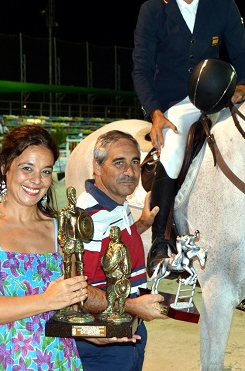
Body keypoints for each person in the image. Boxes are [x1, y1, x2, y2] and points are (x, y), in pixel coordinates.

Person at [131, 0, 245, 274]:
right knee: (171, 149)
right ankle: (160, 242)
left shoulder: (224, 3)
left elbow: (243, 58)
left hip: (216, 97)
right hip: (174, 104)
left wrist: (243, 86)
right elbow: (141, 69)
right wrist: (155, 113)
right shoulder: (153, 10)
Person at [0, 124, 87, 370]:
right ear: (5, 168)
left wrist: (98, 332)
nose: (37, 181)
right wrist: (45, 300)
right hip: (2, 359)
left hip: (57, 359)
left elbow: (71, 306)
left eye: (46, 171)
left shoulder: (60, 230)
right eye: (27, 168)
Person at [75, 130, 169, 371]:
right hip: (102, 345)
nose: (130, 172)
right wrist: (132, 305)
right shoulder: (90, 218)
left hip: (130, 334)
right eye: (119, 163)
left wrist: (141, 224)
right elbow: (78, 292)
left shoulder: (116, 203)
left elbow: (112, 249)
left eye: (135, 162)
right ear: (97, 166)